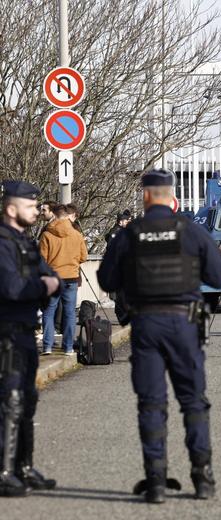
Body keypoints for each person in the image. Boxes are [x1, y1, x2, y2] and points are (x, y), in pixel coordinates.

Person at [97, 168, 221, 504]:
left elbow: (107, 280)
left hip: (146, 326)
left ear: (144, 197)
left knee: (152, 404)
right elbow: (217, 274)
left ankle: (155, 482)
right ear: (173, 198)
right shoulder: (190, 230)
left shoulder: (131, 234)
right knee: (193, 402)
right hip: (184, 324)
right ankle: (203, 478)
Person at [0, 180, 60, 497]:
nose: (36, 211)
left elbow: (53, 277)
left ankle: (23, 467)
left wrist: (46, 284)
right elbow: (11, 287)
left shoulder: (25, 242)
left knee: (27, 400)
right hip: (6, 332)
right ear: (11, 209)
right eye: (30, 206)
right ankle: (4, 471)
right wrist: (42, 286)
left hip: (25, 330)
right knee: (9, 401)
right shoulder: (3, 243)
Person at [39, 204, 87, 355]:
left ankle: (47, 346)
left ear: (54, 215)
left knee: (49, 311)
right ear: (67, 216)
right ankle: (67, 347)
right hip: (71, 278)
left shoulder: (47, 234)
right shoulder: (76, 235)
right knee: (69, 312)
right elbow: (83, 257)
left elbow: (41, 260)